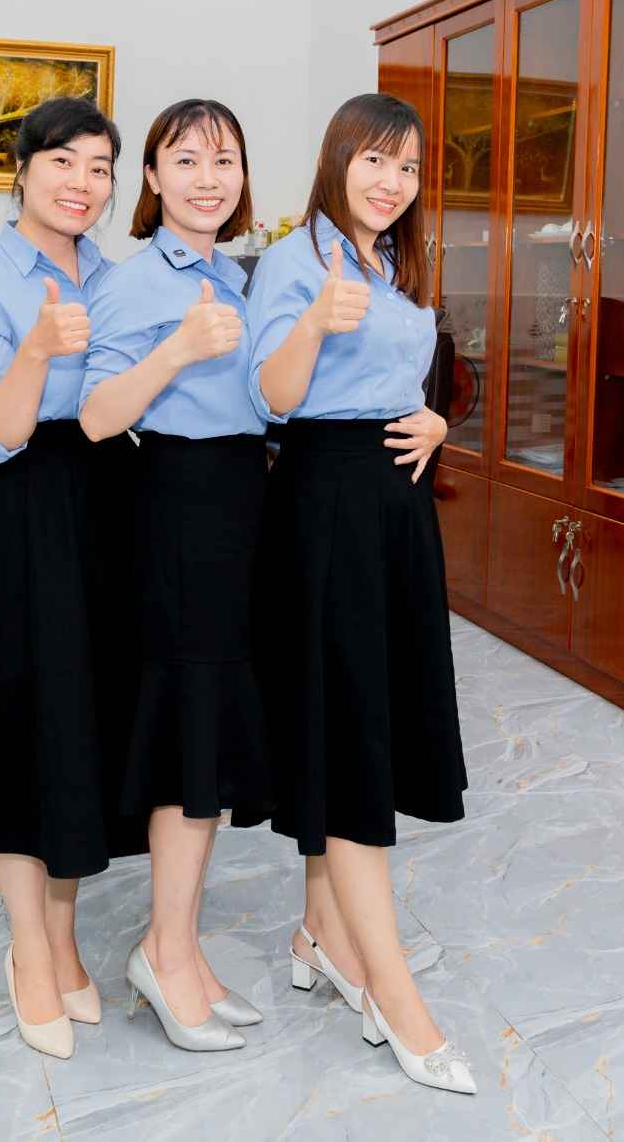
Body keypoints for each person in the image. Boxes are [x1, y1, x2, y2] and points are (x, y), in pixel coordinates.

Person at [243, 92, 474, 1094]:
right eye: (375, 160)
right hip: (328, 504)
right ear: (338, 158)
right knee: (348, 736)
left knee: (363, 719)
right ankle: (394, 993)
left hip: (396, 510)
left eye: (408, 167)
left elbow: (407, 379)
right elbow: (272, 396)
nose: (391, 182)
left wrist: (438, 422)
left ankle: (319, 933)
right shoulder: (296, 261)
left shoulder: (398, 266)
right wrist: (312, 320)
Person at [0, 96, 128, 1061]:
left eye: (99, 167)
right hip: (19, 508)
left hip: (101, 507)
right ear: (21, 169)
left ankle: (65, 936)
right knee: (17, 732)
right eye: (64, 162)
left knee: (76, 729)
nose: (81, 183)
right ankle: (27, 949)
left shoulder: (115, 278)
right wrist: (39, 349)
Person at [79, 99, 269, 1052]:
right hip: (180, 506)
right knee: (190, 737)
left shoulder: (237, 274)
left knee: (215, 738)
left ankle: (179, 948)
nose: (207, 177)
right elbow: (98, 415)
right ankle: (164, 953)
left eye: (224, 159)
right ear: (151, 178)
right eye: (185, 159)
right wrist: (179, 349)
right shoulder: (133, 282)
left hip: (240, 502)